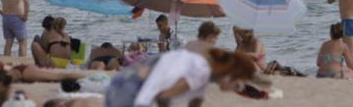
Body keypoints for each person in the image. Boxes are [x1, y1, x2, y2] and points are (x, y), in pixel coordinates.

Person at [104, 48, 256, 107]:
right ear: (230, 75)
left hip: (122, 82)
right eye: (237, 85)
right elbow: (163, 98)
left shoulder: (203, 66)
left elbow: (195, 101)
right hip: (131, 91)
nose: (235, 90)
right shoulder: (201, 73)